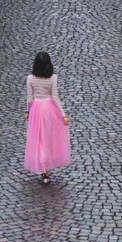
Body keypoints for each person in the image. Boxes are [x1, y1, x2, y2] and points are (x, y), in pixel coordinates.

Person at [24, 52, 71, 185]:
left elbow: (29, 98)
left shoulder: (30, 78)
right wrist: (63, 114)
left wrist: (27, 111)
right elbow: (55, 97)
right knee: (49, 138)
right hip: (49, 110)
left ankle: (44, 170)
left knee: (39, 140)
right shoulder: (53, 78)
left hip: (36, 110)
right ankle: (48, 164)